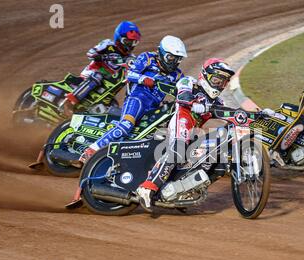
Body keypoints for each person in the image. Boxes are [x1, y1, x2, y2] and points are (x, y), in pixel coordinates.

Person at [136, 58, 235, 211]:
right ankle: (147, 187)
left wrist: (255, 115)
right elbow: (182, 96)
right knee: (178, 149)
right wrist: (197, 105)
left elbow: (230, 114)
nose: (219, 85)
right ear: (205, 76)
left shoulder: (218, 102)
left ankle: (184, 190)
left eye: (223, 82)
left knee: (219, 161)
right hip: (181, 120)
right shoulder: (189, 82)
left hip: (194, 131)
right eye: (216, 79)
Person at [75, 35, 188, 166]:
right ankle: (90, 151)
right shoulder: (147, 58)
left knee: (159, 134)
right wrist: (144, 79)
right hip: (137, 98)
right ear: (162, 53)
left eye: (178, 59)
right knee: (126, 126)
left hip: (154, 107)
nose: (174, 62)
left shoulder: (177, 74)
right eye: (171, 58)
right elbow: (130, 73)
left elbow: (185, 87)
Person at [60, 21, 141, 116]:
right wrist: (102, 57)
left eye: (134, 42)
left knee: (113, 104)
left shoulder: (131, 58)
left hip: (109, 85)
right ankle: (70, 101)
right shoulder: (108, 44)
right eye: (127, 42)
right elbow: (90, 53)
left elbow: (136, 70)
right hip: (91, 74)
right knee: (98, 76)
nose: (130, 45)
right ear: (119, 38)